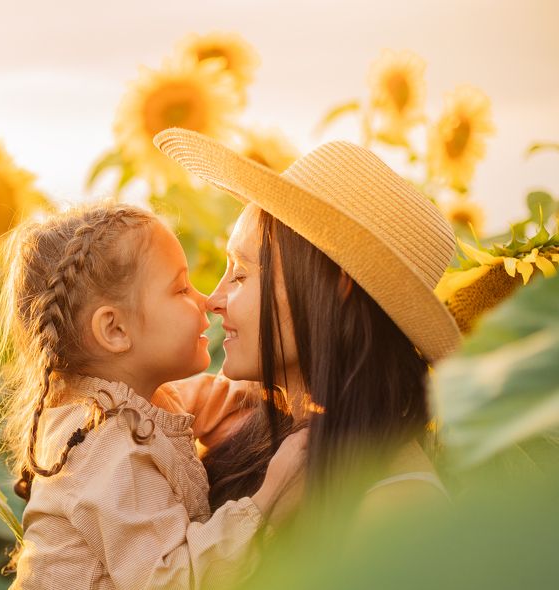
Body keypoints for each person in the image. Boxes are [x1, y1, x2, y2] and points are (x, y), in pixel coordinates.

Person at [0, 202, 308, 590]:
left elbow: (200, 401)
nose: (206, 300)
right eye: (181, 288)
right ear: (115, 329)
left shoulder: (122, 404)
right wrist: (269, 501)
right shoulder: (105, 451)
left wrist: (274, 389)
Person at [153, 128, 459, 529]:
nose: (212, 299)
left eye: (241, 274)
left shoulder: (400, 507)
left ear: (338, 285)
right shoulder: (243, 420)